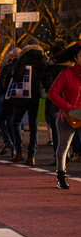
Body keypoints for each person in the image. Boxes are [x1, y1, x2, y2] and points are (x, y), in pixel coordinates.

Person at [46, 42, 81, 190]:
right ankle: (61, 175)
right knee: (63, 146)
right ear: (75, 57)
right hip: (68, 116)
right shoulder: (66, 74)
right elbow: (52, 93)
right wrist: (67, 107)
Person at [10, 38, 48, 166]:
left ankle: (19, 152)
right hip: (35, 94)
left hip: (22, 95)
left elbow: (18, 76)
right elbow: (46, 78)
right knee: (34, 125)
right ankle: (31, 155)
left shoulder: (24, 57)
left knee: (16, 122)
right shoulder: (43, 59)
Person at [43, 39, 70, 166]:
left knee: (57, 129)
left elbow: (48, 86)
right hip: (71, 101)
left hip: (56, 102)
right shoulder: (72, 69)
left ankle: (59, 157)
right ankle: (70, 153)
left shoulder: (52, 68)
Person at [0, 48, 22, 156]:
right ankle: (15, 148)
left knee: (1, 118)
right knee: (14, 122)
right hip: (19, 98)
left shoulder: (7, 67)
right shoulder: (24, 68)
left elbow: (1, 84)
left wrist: (3, 92)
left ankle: (7, 140)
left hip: (7, 97)